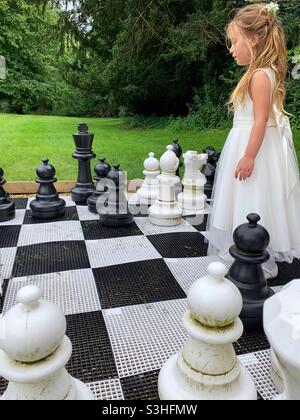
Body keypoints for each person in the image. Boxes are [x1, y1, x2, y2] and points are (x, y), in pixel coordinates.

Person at [205, 2, 300, 279]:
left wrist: (248, 156)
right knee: (244, 197)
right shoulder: (258, 73)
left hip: (254, 147)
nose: (231, 49)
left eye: (235, 42)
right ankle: (245, 247)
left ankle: (259, 259)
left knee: (253, 196)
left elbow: (260, 120)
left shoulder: (260, 75)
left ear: (254, 39)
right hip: (248, 142)